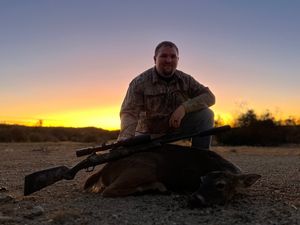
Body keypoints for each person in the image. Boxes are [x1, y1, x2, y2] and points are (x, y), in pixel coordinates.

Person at [118, 41, 215, 149]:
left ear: (178, 60)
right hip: (148, 134)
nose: (169, 60)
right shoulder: (139, 82)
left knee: (206, 114)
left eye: (173, 56)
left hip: (176, 129)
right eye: (164, 56)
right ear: (155, 59)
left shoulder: (186, 80)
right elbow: (129, 112)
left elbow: (210, 97)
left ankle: (201, 155)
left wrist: (184, 108)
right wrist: (125, 139)